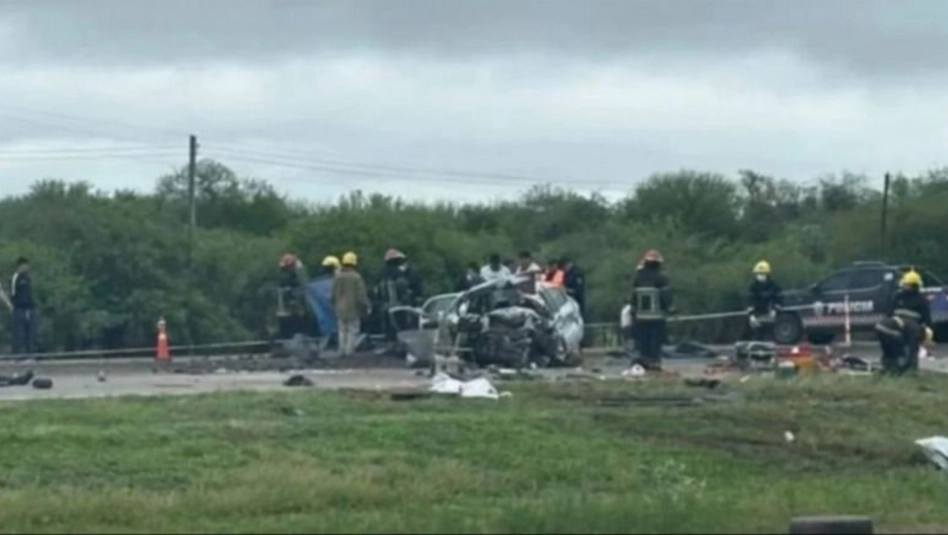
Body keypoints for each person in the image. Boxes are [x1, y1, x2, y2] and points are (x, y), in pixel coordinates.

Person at [875, 270, 931, 374]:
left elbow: (926, 319)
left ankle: (906, 367)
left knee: (909, 349)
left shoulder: (910, 298)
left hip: (910, 329)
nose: (906, 287)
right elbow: (889, 313)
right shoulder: (901, 297)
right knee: (899, 349)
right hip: (897, 328)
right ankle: (896, 365)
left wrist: (924, 331)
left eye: (907, 285)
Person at [629, 249, 673, 371]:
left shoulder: (638, 278)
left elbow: (633, 298)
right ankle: (655, 361)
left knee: (643, 341)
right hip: (657, 316)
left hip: (640, 317)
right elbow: (666, 298)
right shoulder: (662, 278)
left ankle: (644, 360)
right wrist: (669, 308)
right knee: (656, 340)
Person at [376, 249, 423, 339]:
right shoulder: (399, 274)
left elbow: (378, 292)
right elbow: (404, 290)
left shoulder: (381, 274)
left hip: (385, 307)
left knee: (388, 330)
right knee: (401, 329)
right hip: (399, 307)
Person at [332, 252, 371, 357]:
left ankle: (341, 350)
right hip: (353, 308)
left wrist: (333, 303)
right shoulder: (356, 277)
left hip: (339, 308)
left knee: (342, 330)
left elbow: (333, 294)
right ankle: (349, 351)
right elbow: (361, 294)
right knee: (352, 330)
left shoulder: (337, 277)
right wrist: (366, 306)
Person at [745, 260, 782, 341]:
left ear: (767, 275)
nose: (760, 276)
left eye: (762, 274)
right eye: (758, 274)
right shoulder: (753, 287)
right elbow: (750, 302)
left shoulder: (774, 286)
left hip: (771, 316)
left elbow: (778, 299)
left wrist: (775, 310)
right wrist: (751, 316)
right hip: (757, 316)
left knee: (771, 336)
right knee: (758, 335)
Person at [276, 253, 307, 340]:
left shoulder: (284, 275)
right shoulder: (287, 277)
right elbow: (302, 282)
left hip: (288, 310)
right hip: (290, 310)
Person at [10, 257, 35, 356]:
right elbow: (13, 293)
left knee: (29, 332)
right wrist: (13, 307)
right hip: (19, 308)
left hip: (29, 309)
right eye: (25, 265)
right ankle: (18, 354)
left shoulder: (28, 278)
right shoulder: (16, 277)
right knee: (19, 333)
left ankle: (29, 353)